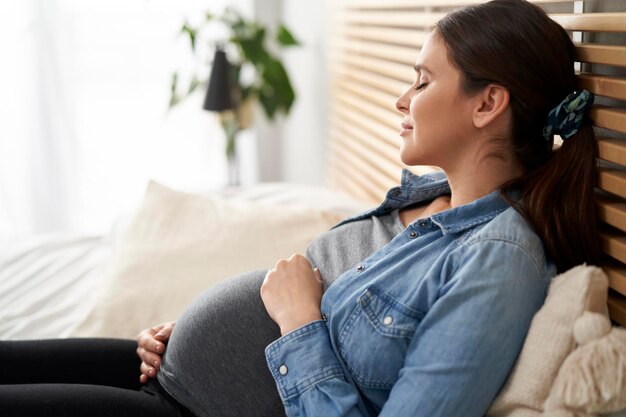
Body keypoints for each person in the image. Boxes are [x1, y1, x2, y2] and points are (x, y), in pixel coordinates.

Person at [0, 1, 600, 416]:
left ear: (487, 103)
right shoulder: (425, 199)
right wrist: (193, 331)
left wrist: (295, 322)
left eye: (421, 81)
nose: (401, 99)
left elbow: (309, 317)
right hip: (167, 369)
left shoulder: (497, 263)